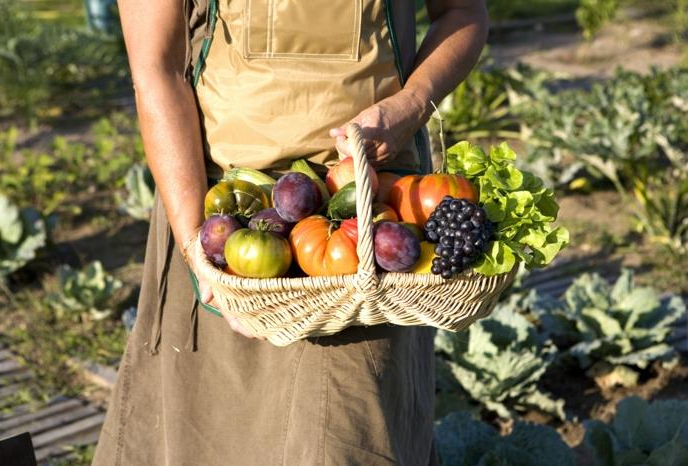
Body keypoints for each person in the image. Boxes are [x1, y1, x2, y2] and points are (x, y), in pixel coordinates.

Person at [93, 0, 488, 464]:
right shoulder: (209, 232)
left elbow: (463, 12)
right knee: (210, 433)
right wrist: (195, 245)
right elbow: (156, 71)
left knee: (350, 432)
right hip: (226, 218)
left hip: (370, 218)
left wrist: (411, 104)